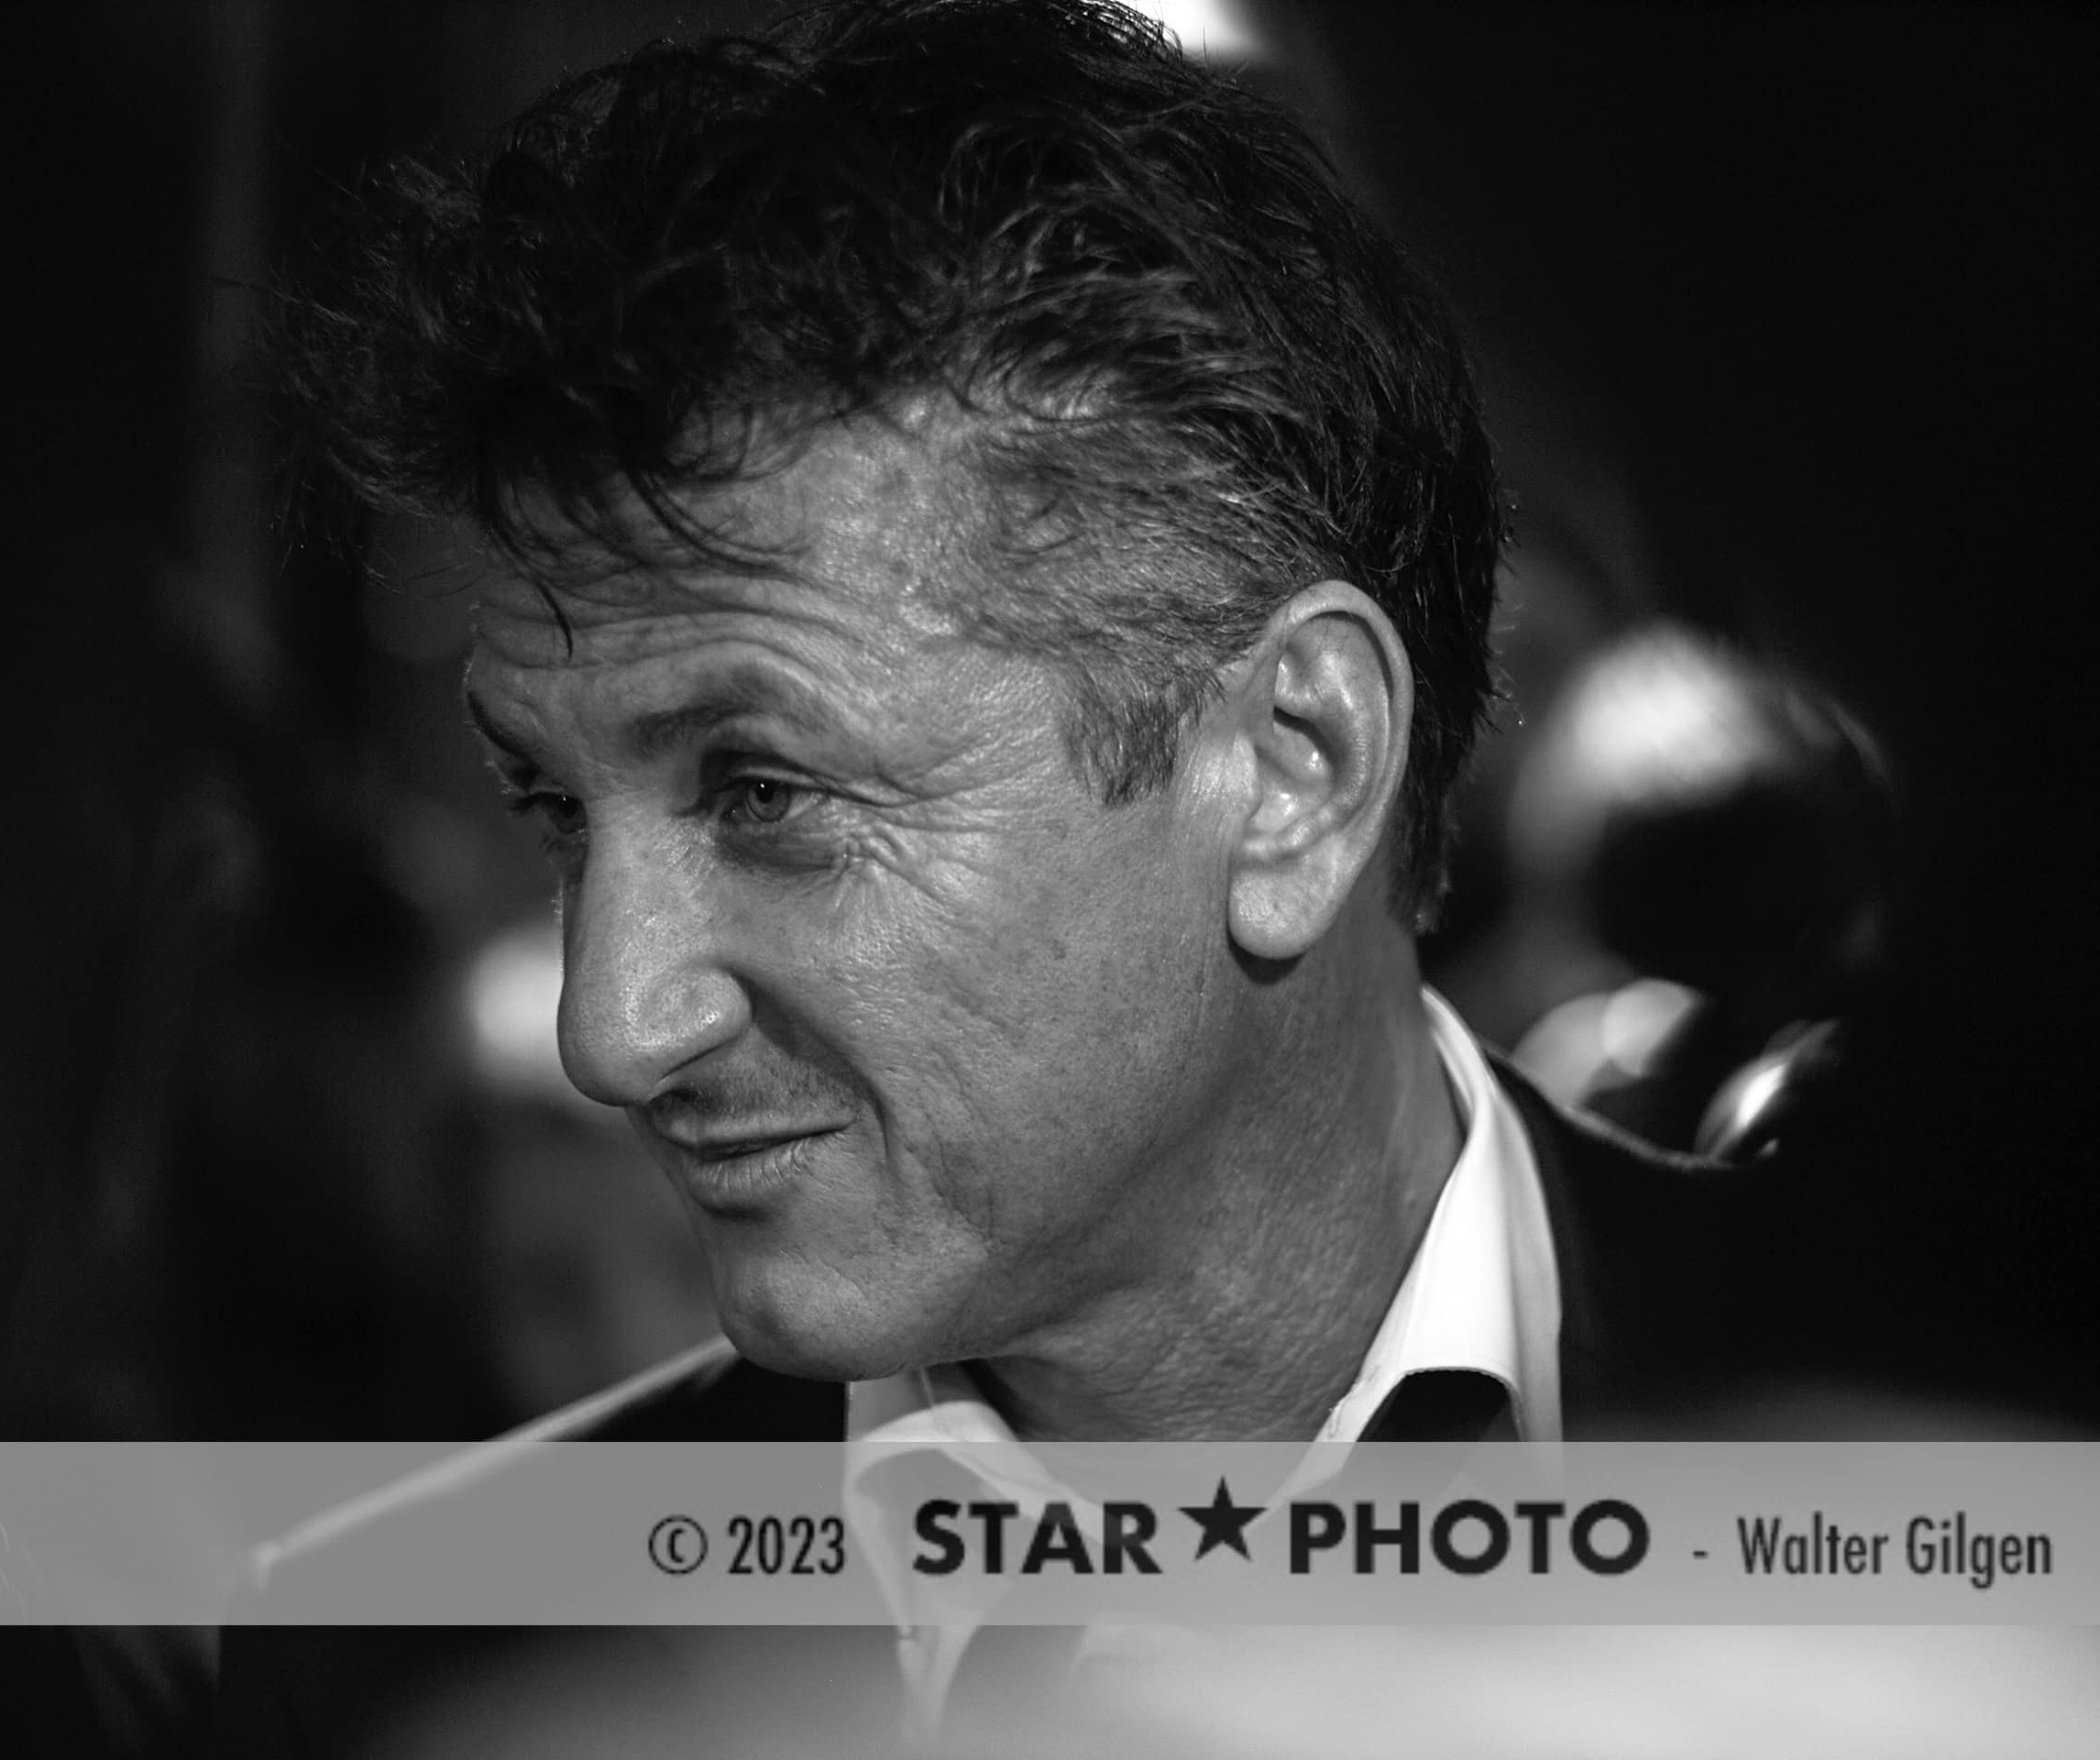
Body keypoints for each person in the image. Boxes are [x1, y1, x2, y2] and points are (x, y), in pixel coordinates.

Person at [217, 1, 1816, 1748]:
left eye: (764, 792)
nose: (614, 1028)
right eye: (553, 809)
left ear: (1298, 765)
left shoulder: (1995, 1439)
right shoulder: (412, 1661)